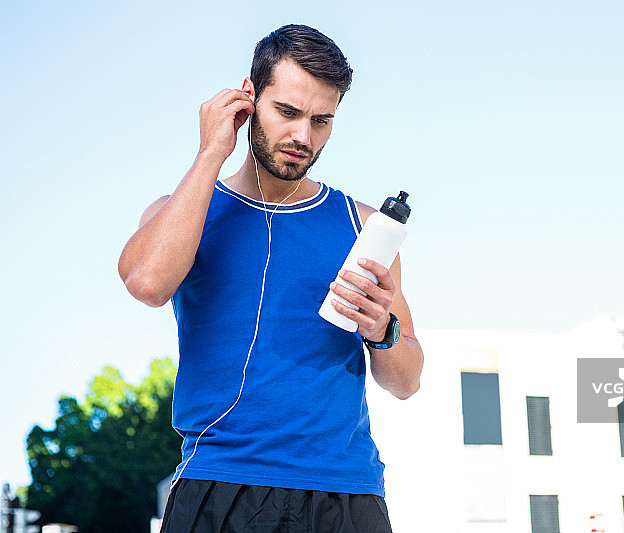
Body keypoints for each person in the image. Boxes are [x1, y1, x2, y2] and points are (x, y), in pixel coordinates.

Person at [118, 24, 423, 532]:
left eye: (322, 121)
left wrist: (381, 330)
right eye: (288, 112)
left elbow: (408, 381)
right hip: (220, 487)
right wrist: (210, 151)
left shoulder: (364, 227)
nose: (303, 136)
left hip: (344, 495)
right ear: (248, 100)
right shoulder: (184, 212)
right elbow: (147, 283)